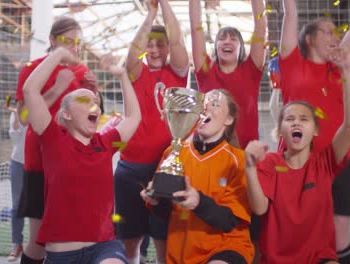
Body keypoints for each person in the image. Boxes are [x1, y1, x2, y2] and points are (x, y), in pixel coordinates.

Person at [278, 0, 350, 262]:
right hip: (297, 163)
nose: (337, 37)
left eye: (337, 32)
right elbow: (290, 12)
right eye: (329, 32)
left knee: (339, 235)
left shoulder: (339, 66)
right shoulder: (291, 62)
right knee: (296, 233)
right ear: (309, 39)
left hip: (339, 161)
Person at [22, 46, 140, 264]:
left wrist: (123, 76)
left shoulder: (106, 143)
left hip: (104, 247)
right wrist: (58, 53)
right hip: (63, 254)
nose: (93, 105)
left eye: (95, 102)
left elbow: (133, 118)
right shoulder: (53, 139)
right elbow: (30, 91)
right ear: (66, 114)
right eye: (85, 101)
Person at [245, 46, 350, 263]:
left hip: (319, 258)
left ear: (315, 130)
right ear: (280, 131)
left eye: (304, 119)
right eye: (289, 119)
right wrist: (249, 167)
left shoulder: (325, 162)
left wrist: (347, 70)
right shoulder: (270, 163)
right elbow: (259, 208)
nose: (296, 121)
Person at [15, 16, 97, 264]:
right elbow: (24, 117)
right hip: (40, 162)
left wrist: (96, 94)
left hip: (72, 163)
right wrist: (56, 90)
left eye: (77, 43)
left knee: (73, 236)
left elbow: (91, 118)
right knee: (39, 240)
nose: (73, 47)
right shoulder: (33, 68)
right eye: (67, 41)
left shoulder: (82, 71)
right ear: (52, 40)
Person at [141, 89, 255, 264]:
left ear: (229, 119)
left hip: (226, 247)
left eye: (215, 103)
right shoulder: (173, 153)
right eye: (203, 102)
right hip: (181, 251)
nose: (206, 107)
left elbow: (230, 221)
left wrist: (198, 202)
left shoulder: (238, 160)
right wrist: (157, 199)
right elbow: (162, 215)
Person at [114, 0, 189, 263]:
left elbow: (178, 41)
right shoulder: (136, 72)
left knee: (162, 236)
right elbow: (131, 56)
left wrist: (165, 4)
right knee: (130, 238)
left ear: (168, 47)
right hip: (131, 168)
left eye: (161, 44)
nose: (155, 49)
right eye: (151, 44)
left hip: (164, 168)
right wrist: (151, 13)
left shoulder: (177, 73)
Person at [189, 0, 266, 149]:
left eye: (233, 39)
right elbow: (195, 28)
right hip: (209, 151)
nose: (227, 42)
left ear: (241, 47)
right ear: (216, 47)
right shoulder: (206, 70)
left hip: (244, 153)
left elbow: (261, 27)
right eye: (222, 39)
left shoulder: (251, 70)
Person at [7, 104, 27, 262]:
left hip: (39, 163)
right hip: (18, 163)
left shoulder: (40, 108)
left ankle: (43, 244)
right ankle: (16, 244)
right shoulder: (16, 113)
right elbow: (15, 139)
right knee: (16, 206)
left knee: (44, 205)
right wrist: (16, 118)